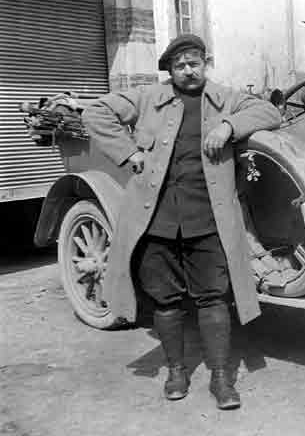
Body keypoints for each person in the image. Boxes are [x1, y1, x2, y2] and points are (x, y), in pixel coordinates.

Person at [83, 34, 282, 410]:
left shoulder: (226, 98)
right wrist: (127, 153)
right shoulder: (147, 98)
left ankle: (222, 378)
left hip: (208, 219)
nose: (188, 70)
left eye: (194, 63)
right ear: (170, 71)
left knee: (213, 298)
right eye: (179, 65)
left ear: (205, 63)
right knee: (166, 299)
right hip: (155, 220)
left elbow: (271, 112)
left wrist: (229, 127)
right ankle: (176, 371)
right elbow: (95, 112)